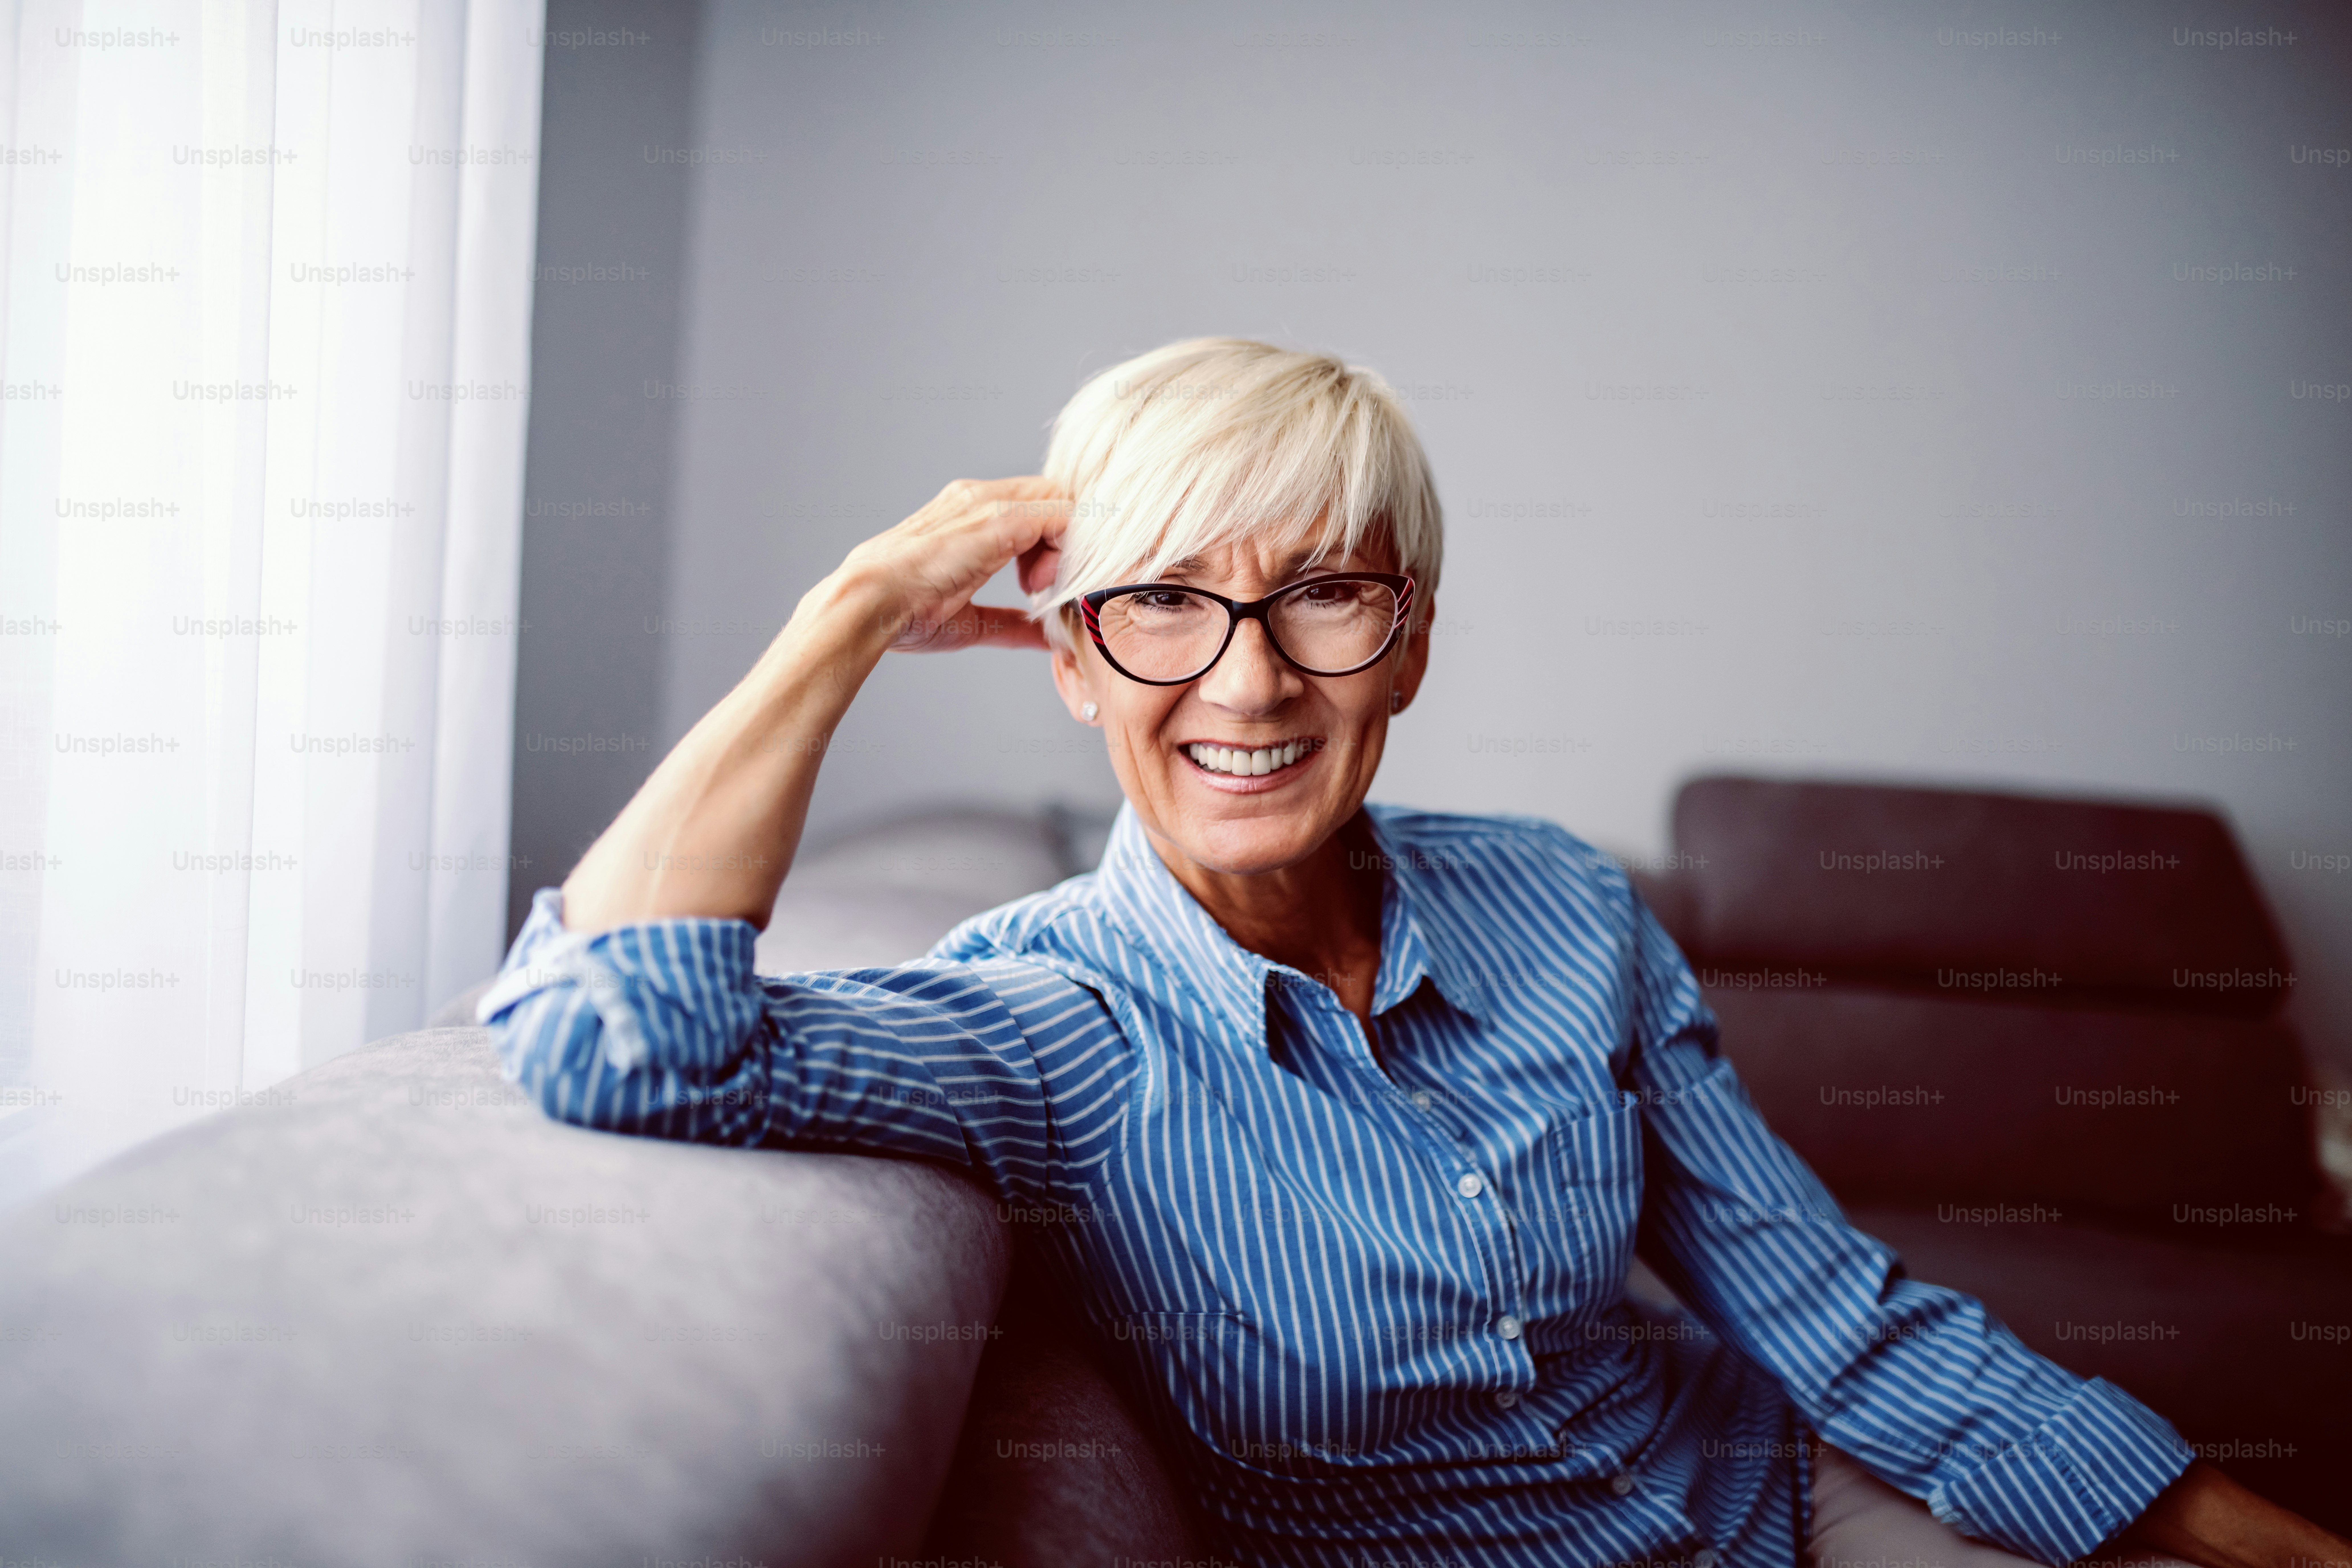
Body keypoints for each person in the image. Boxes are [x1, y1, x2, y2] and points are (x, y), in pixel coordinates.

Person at [481, 338, 2347, 1568]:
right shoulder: (1041, 1017)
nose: (1253, 678)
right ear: (1067, 661)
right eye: (1163, 608)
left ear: (1414, 639)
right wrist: (850, 612)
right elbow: (630, 1040)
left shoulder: (1561, 903)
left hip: (1776, 1500)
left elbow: (1837, 1321)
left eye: (1326, 595)